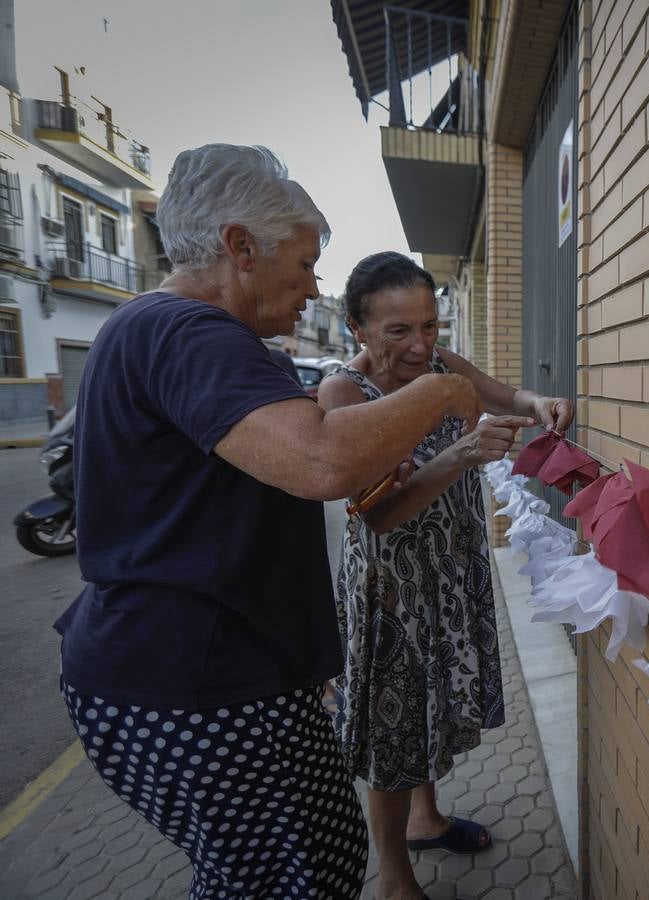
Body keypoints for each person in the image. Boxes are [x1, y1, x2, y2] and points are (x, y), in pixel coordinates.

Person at [53, 145, 482, 900]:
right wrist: (440, 395)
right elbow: (319, 463)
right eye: (307, 263)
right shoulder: (190, 331)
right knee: (289, 880)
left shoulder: (160, 329)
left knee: (294, 868)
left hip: (203, 677)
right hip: (198, 688)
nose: (313, 287)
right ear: (239, 246)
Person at [319, 252, 573, 900]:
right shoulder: (343, 394)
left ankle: (426, 820)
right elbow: (375, 514)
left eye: (429, 326)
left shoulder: (440, 367)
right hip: (393, 590)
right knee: (389, 732)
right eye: (397, 331)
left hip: (450, 574)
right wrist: (462, 453)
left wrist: (539, 402)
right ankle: (395, 881)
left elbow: (501, 393)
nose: (419, 345)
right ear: (356, 328)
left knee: (424, 717)